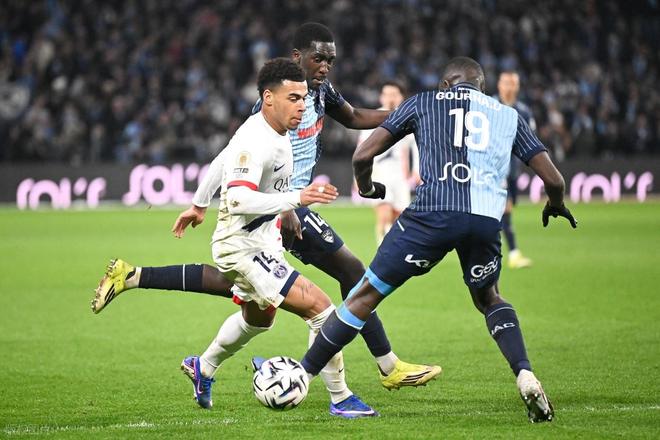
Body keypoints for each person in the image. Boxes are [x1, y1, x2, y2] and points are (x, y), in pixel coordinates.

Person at [92, 23, 440, 392]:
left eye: (330, 60)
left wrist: (406, 114)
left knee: (248, 298)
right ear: (297, 57)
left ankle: (140, 283)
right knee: (348, 273)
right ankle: (383, 368)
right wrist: (285, 207)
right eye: (318, 58)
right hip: (283, 207)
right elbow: (236, 156)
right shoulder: (273, 107)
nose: (325, 66)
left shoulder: (320, 92)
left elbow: (353, 118)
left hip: (281, 208)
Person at [297, 57, 577, 423]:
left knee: (365, 293)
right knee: (490, 298)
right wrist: (555, 204)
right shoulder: (508, 116)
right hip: (484, 221)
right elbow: (554, 180)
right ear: (482, 88)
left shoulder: (423, 102)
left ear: (445, 85)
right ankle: (524, 374)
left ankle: (301, 376)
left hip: (431, 216)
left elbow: (363, 154)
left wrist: (367, 186)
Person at [162, 58, 377, 416]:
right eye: (293, 98)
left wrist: (199, 204)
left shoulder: (271, 129)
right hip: (242, 246)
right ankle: (341, 398)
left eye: (304, 98)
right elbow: (238, 199)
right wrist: (296, 198)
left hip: (263, 240)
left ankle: (204, 366)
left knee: (260, 319)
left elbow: (222, 160)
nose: (302, 106)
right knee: (321, 309)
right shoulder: (256, 140)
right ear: (268, 98)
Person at [356, 81, 420, 244]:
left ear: (401, 97)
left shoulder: (409, 117)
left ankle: (393, 249)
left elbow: (416, 146)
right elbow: (361, 150)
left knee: (399, 219)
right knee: (384, 215)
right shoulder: (372, 119)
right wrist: (357, 178)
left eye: (394, 94)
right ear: (381, 97)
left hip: (399, 177)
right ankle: (382, 250)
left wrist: (416, 170)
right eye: (387, 94)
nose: (390, 98)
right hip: (379, 174)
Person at [496, 71, 536, 269]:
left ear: (517, 87)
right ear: (499, 85)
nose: (509, 87)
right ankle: (512, 253)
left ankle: (504, 253)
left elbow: (530, 140)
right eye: (506, 82)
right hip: (493, 168)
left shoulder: (524, 112)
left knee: (506, 209)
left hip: (512, 169)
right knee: (504, 209)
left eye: (512, 83)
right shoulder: (489, 106)